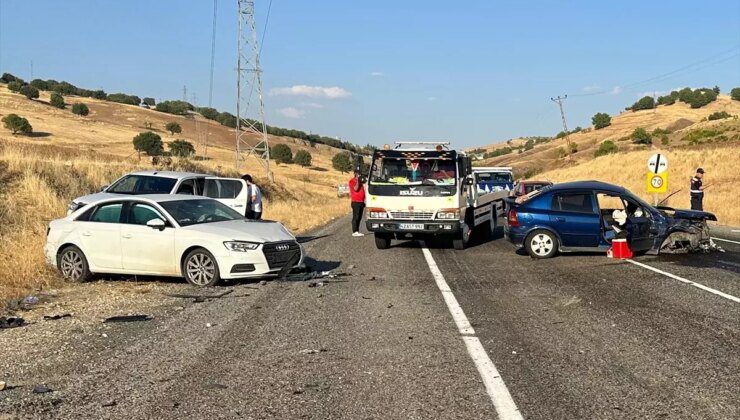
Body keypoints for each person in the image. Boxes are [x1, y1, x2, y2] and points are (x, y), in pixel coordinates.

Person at [348, 170, 365, 237]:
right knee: (356, 216)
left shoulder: (360, 181)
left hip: (361, 201)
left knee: (359, 217)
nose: (360, 175)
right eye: (358, 174)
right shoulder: (352, 181)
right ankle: (354, 231)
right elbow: (356, 189)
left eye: (360, 174)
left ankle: (357, 231)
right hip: (356, 202)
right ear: (355, 174)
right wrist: (358, 180)